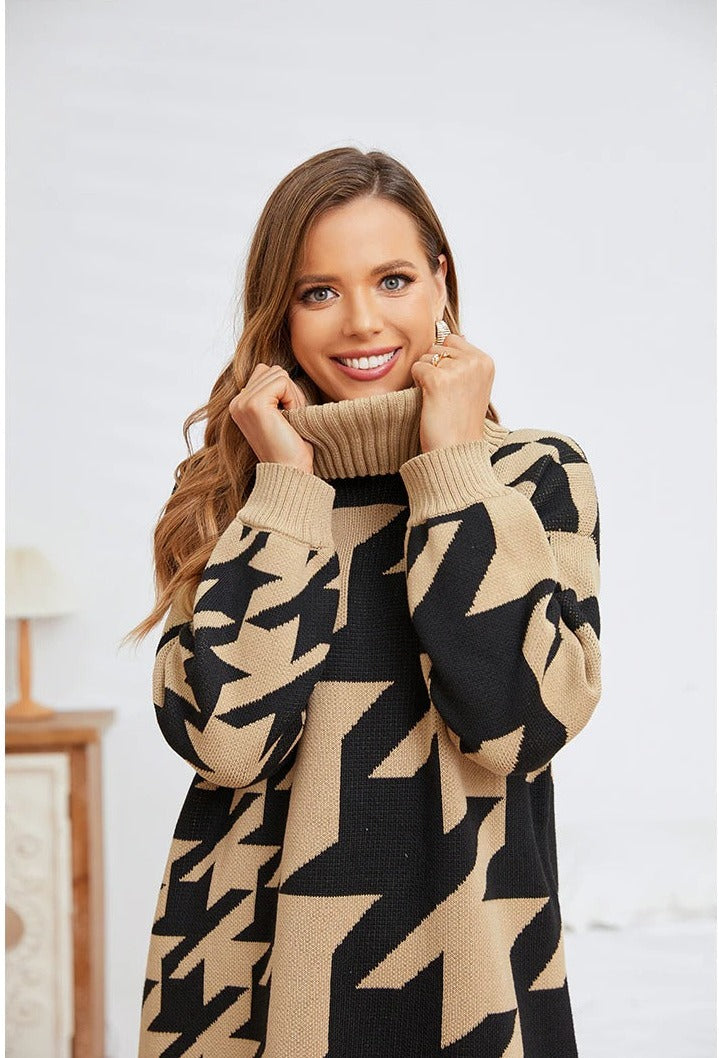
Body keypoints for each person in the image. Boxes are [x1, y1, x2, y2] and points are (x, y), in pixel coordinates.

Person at [129, 146, 602, 1058]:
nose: (360, 322)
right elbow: (228, 742)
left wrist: (451, 465)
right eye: (318, 292)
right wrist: (285, 491)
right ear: (280, 309)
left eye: (391, 279)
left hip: (472, 963)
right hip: (251, 979)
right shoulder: (228, 488)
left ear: (440, 281)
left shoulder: (531, 474)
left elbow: (516, 725)